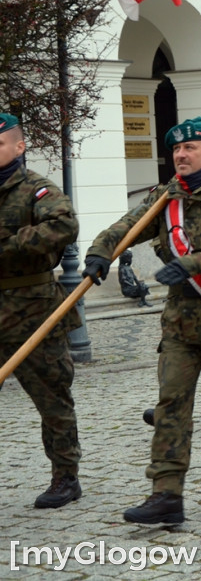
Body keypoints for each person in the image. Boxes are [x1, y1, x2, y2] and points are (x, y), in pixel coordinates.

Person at [86, 117, 201, 524]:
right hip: (180, 326)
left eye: (190, 148)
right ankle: (166, 493)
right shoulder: (165, 198)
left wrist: (194, 262)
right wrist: (100, 251)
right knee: (170, 406)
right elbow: (126, 226)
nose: (181, 155)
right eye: (176, 150)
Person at [0, 112, 83, 509]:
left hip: (31, 311)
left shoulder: (36, 190)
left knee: (52, 398)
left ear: (19, 147)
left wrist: (12, 245)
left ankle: (65, 476)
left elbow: (65, 225)